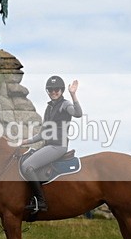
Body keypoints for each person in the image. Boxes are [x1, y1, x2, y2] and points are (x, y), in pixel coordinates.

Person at [19, 76, 83, 213]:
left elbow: (78, 113)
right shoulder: (48, 108)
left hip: (58, 146)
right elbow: (42, 134)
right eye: (51, 90)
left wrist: (73, 94)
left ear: (61, 90)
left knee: (27, 166)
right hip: (48, 145)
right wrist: (25, 142)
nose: (54, 92)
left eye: (57, 89)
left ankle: (41, 201)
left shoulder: (65, 105)